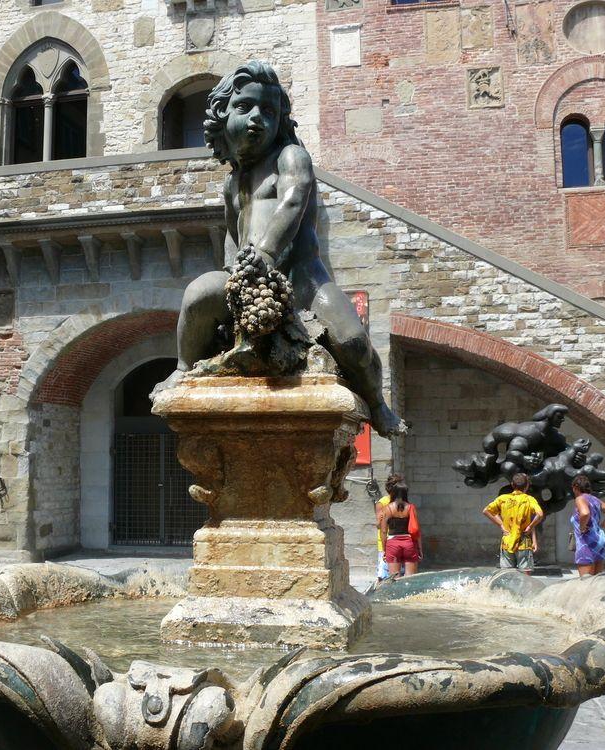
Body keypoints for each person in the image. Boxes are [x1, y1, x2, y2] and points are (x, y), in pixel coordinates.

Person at [165, 60, 404, 438]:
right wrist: (235, 274)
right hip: (252, 280)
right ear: (222, 117)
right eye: (245, 108)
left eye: (269, 111)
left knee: (354, 341)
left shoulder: (291, 158)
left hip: (304, 281)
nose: (258, 117)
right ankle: (182, 368)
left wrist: (265, 252)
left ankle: (377, 403)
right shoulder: (232, 185)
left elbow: (292, 203)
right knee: (197, 295)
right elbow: (233, 234)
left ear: (281, 120)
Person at [482, 472, 544, 575]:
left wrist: (501, 525)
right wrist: (530, 526)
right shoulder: (529, 500)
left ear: (512, 484)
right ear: (527, 486)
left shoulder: (503, 499)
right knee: (525, 575)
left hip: (507, 541)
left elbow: (486, 511)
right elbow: (540, 514)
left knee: (507, 575)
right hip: (523, 542)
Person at [570, 474, 605, 576]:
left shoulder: (580, 499)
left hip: (586, 543)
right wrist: (601, 526)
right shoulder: (595, 500)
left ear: (575, 487)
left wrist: (582, 527)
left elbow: (585, 513)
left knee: (586, 583)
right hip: (599, 541)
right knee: (596, 582)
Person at [375, 473, 417, 581]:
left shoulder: (384, 504)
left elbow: (381, 527)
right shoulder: (408, 505)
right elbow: (416, 528)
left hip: (390, 541)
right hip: (405, 541)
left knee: (390, 577)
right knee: (408, 578)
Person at [380, 483, 422, 578]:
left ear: (393, 493)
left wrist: (384, 550)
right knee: (410, 578)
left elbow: (383, 531)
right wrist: (420, 549)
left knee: (394, 578)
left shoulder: (387, 508)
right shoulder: (411, 507)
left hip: (393, 544)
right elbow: (417, 530)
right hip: (409, 543)